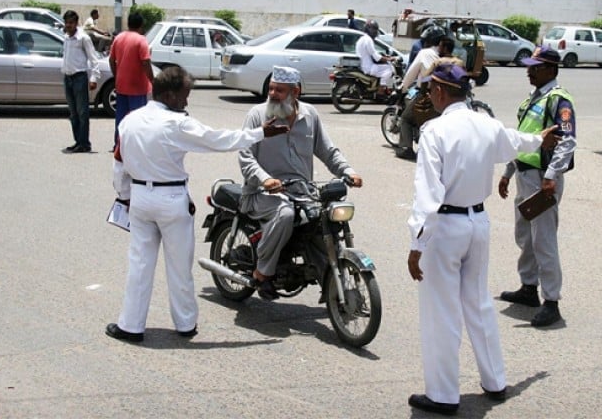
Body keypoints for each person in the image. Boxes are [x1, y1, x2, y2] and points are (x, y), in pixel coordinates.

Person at [406, 62, 560, 415]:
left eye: (431, 90)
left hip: (444, 228)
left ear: (441, 92)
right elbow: (516, 142)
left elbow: (428, 194)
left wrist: (417, 243)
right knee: (478, 304)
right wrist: (540, 139)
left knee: (441, 311)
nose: (429, 96)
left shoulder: (436, 130)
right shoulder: (486, 124)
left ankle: (443, 395)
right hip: (478, 222)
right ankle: (495, 382)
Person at [106, 66, 289, 343]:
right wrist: (260, 133)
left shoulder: (129, 120)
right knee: (179, 266)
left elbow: (119, 163)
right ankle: (185, 324)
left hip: (140, 198)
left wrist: (124, 197)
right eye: (184, 95)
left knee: (139, 265)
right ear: (168, 95)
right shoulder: (176, 124)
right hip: (171, 200)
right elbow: (218, 140)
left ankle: (130, 326)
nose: (186, 101)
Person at [239, 66, 363, 300]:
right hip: (260, 193)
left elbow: (327, 150)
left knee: (323, 218)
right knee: (284, 213)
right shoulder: (257, 115)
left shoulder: (310, 115)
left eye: (280, 90)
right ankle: (262, 272)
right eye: (271, 89)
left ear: (296, 92)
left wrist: (348, 171)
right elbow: (245, 156)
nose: (273, 94)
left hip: (302, 191)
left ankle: (329, 276)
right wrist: (266, 180)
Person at [498, 45, 576, 328]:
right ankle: (528, 288)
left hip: (543, 178)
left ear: (551, 70)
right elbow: (522, 137)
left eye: (535, 67)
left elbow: (567, 141)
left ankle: (551, 301)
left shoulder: (560, 100)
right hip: (524, 173)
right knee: (525, 236)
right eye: (529, 66)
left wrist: (552, 175)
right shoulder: (534, 98)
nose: (528, 71)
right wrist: (508, 170)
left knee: (543, 239)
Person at [396, 26, 446, 160]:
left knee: (406, 118)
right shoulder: (447, 55)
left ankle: (406, 148)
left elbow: (411, 74)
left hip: (429, 95)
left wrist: (403, 87)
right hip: (448, 97)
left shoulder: (424, 53)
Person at [109, 12, 154, 151]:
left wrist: (117, 75)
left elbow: (111, 60)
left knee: (121, 118)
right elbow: (146, 62)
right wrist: (152, 80)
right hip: (138, 87)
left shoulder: (119, 38)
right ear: (141, 25)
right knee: (137, 119)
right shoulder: (141, 40)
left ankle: (118, 144)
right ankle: (135, 147)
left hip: (121, 85)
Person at [61, 10, 100, 154]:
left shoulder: (83, 38)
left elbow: (94, 59)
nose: (68, 25)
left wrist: (93, 78)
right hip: (68, 78)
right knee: (73, 113)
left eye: (71, 23)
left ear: (76, 23)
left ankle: (84, 143)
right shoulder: (66, 38)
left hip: (79, 78)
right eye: (67, 23)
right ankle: (78, 141)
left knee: (82, 112)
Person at [355, 20, 395, 98]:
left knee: (384, 68)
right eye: (374, 29)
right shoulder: (368, 40)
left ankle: (377, 87)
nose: (375, 31)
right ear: (369, 29)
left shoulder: (363, 38)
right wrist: (389, 59)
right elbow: (376, 57)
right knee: (389, 69)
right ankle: (381, 90)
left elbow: (372, 53)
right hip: (368, 67)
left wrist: (384, 57)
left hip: (364, 65)